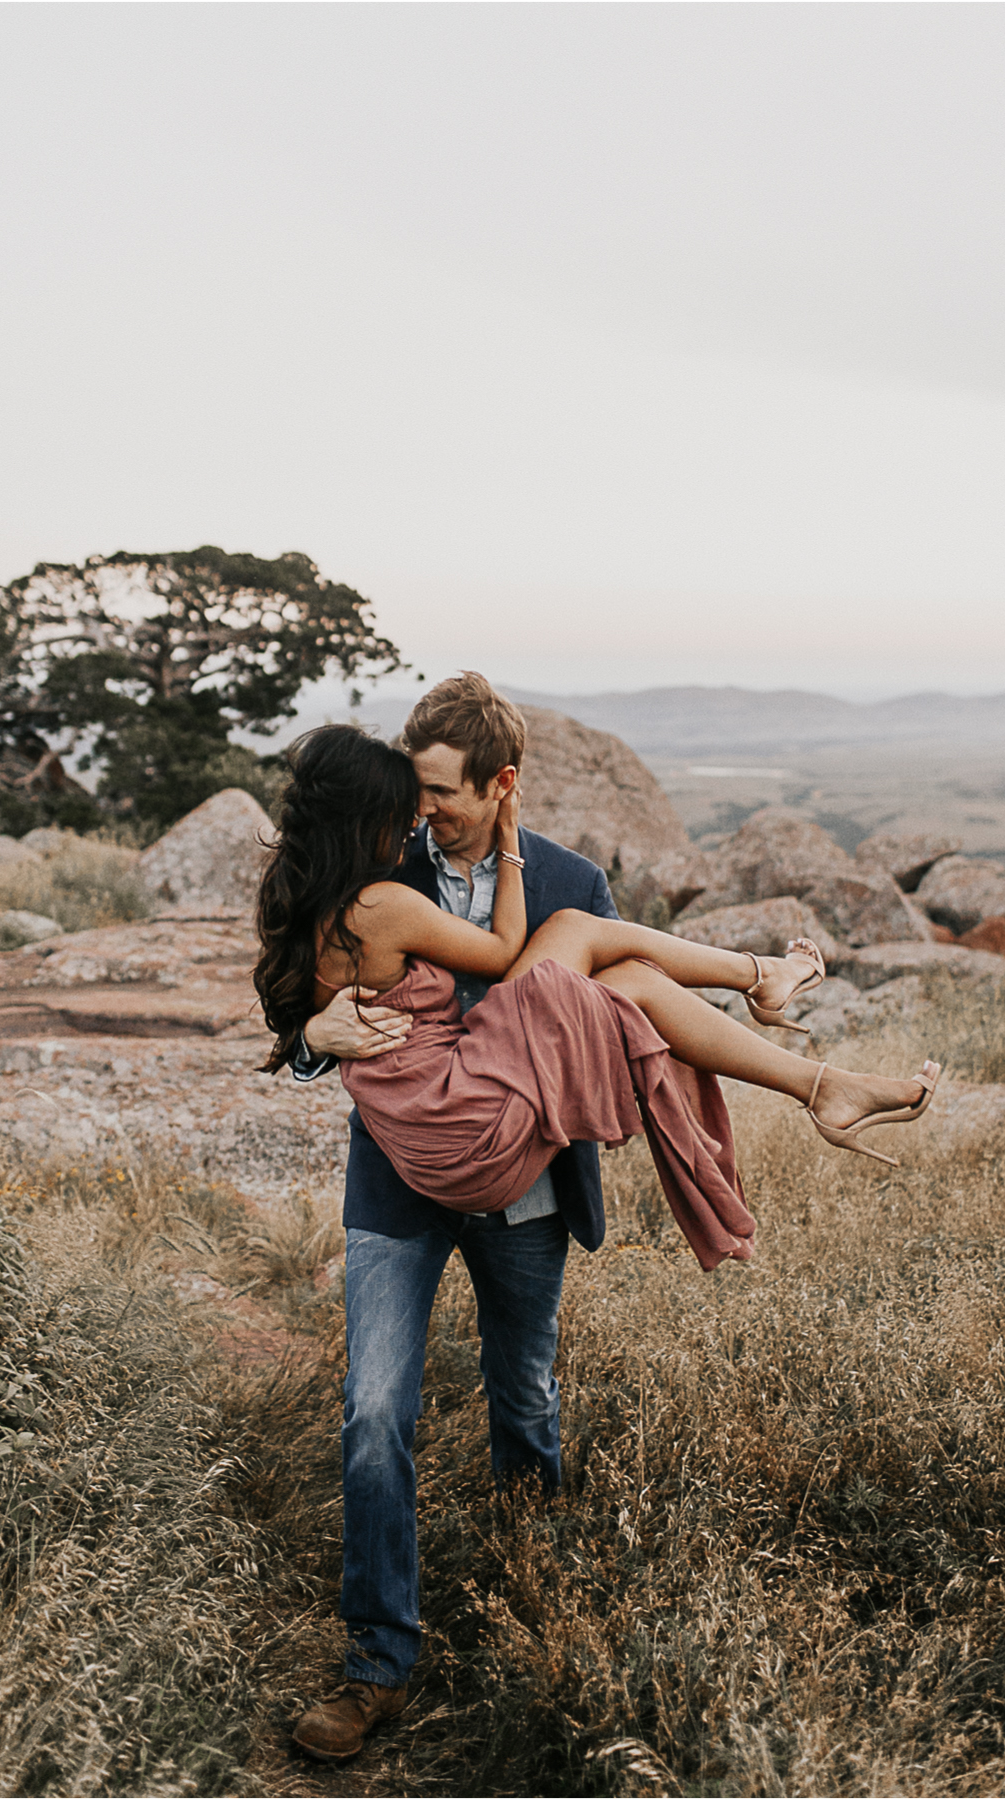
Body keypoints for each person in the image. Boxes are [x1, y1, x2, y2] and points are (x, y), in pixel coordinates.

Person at [262, 680, 934, 1764]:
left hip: (522, 1174)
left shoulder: (571, 876)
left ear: (502, 787)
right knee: (373, 1414)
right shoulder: (374, 860)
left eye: (444, 791)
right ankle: (377, 1664)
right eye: (416, 787)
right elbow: (297, 981)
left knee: (523, 1396)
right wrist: (313, 1035)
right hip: (406, 1178)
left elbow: (608, 1014)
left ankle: (534, 1606)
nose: (425, 808)